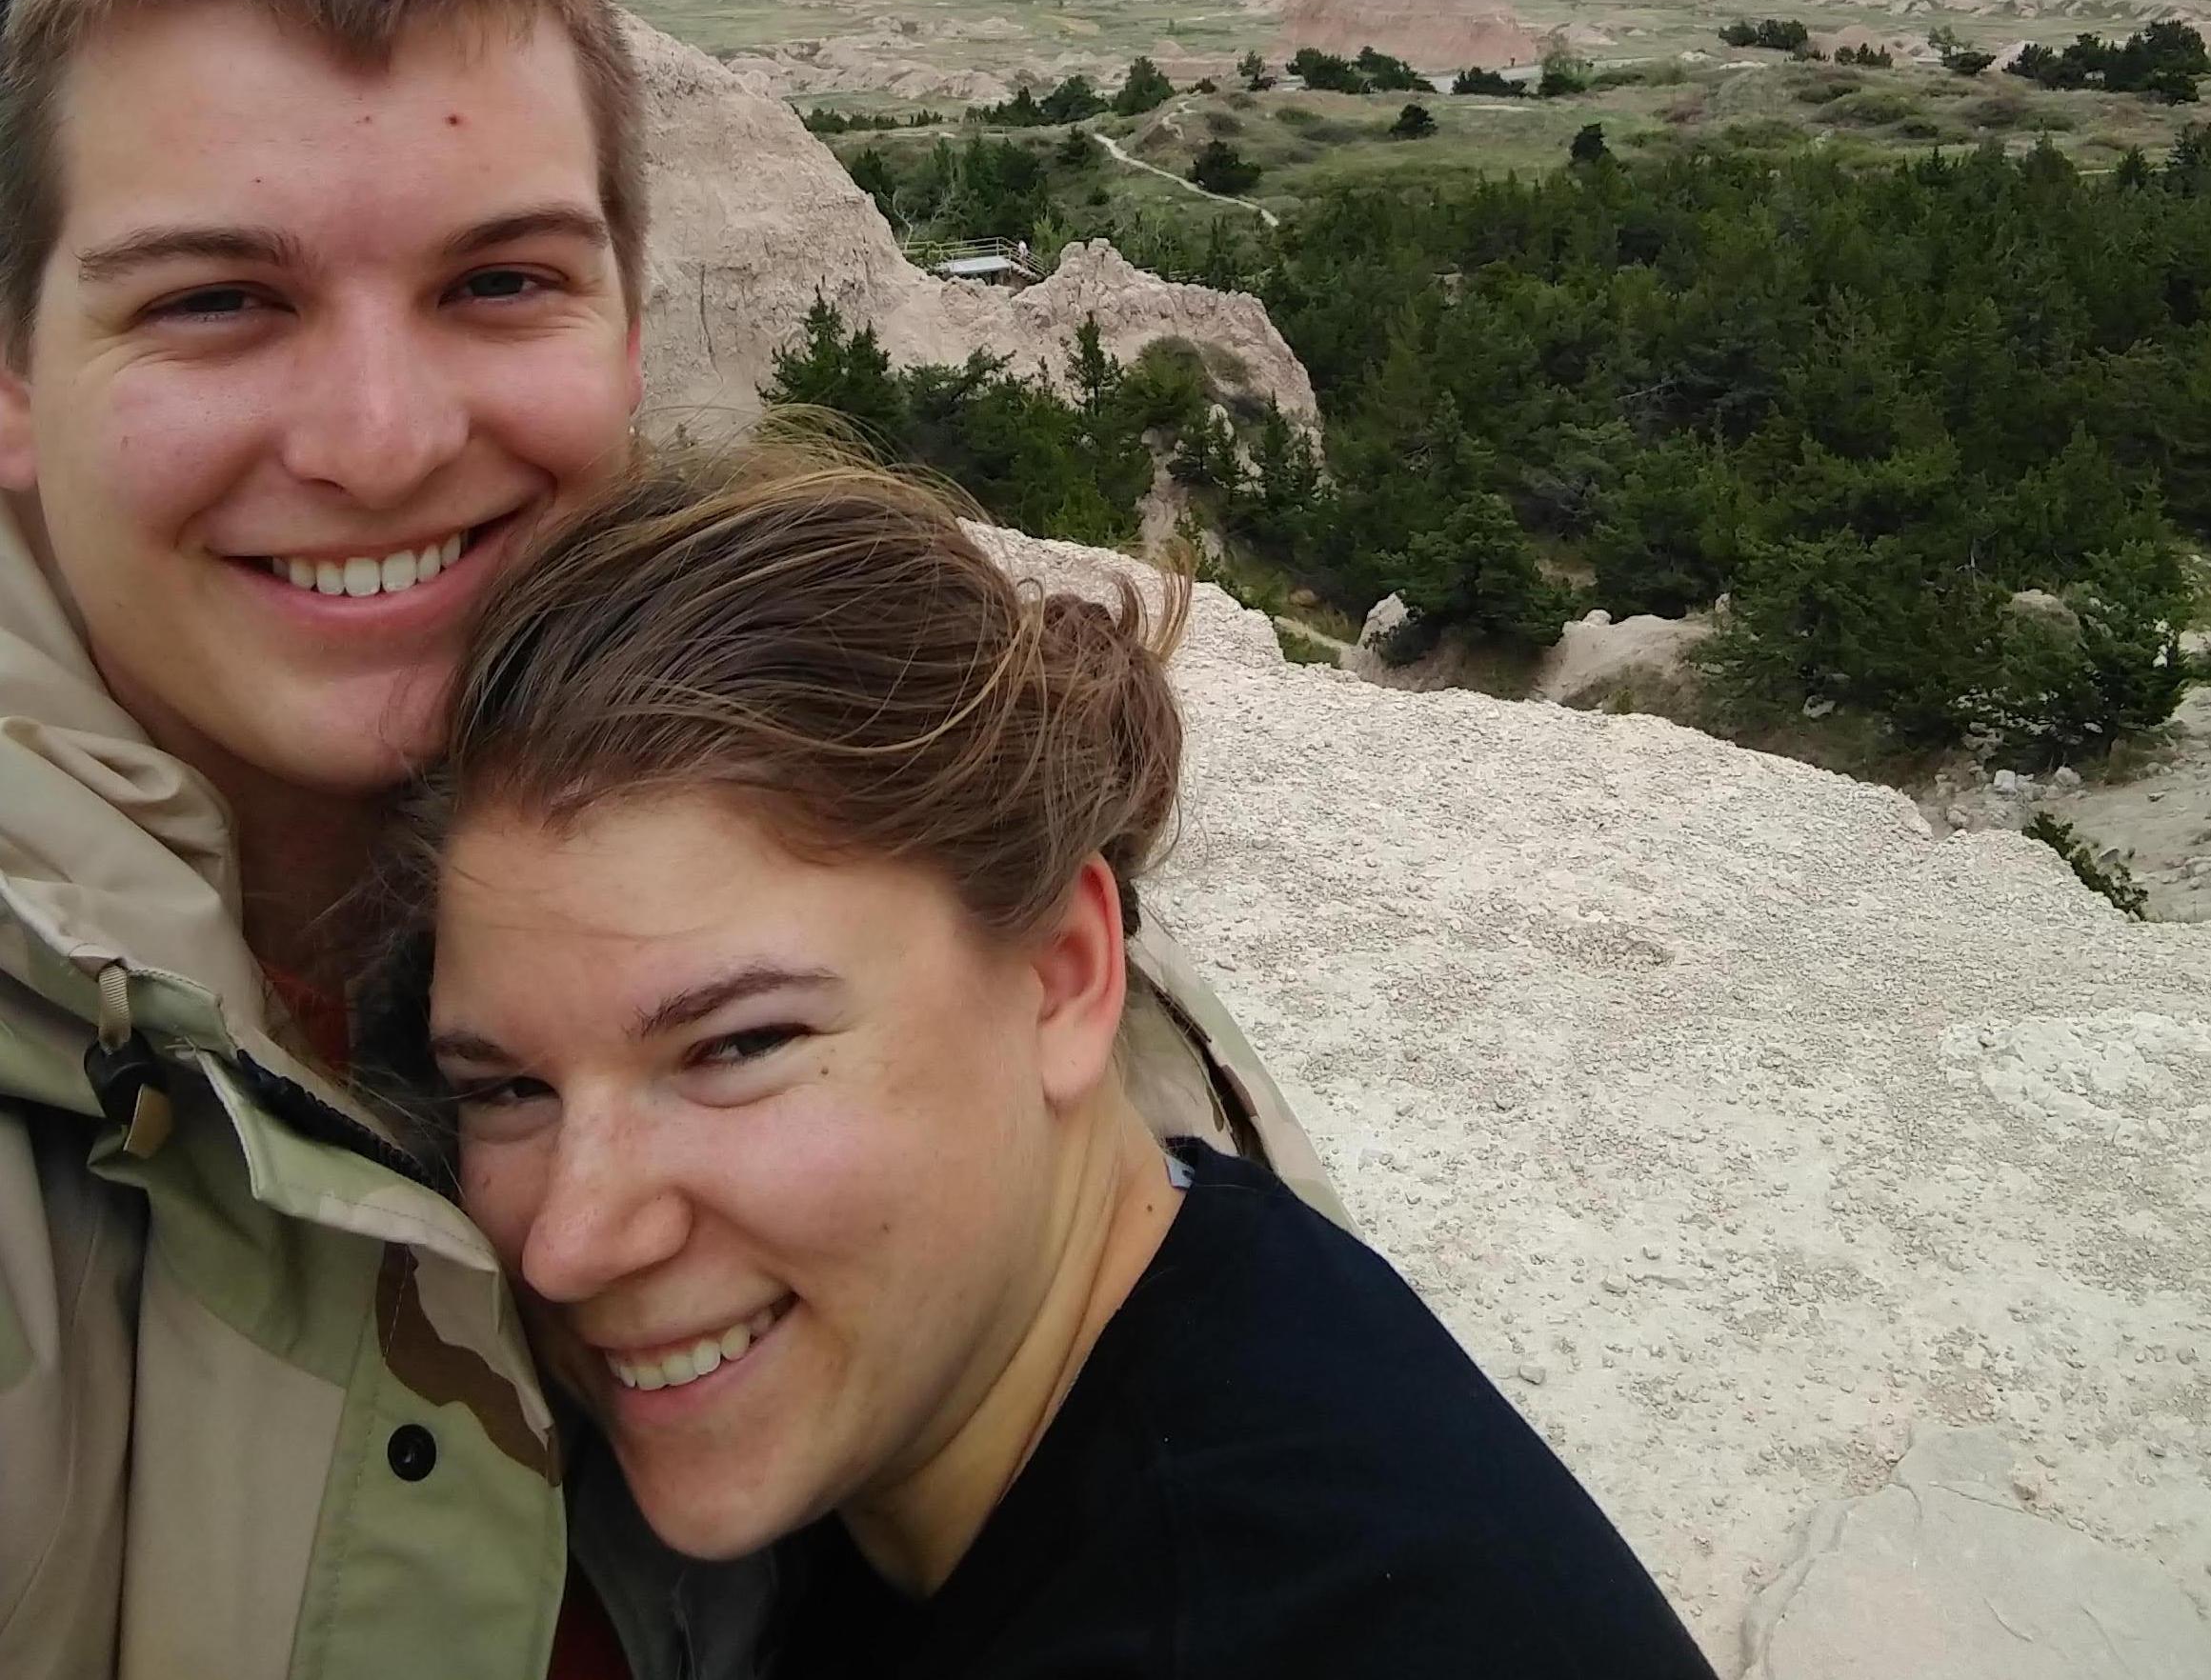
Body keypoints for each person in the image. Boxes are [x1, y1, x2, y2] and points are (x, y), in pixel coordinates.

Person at [0, 0, 1325, 1679]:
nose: (379, 442)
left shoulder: (798, 764)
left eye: (499, 284)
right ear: (14, 381)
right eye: (218, 301)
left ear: (633, 329)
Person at [409, 448, 1715, 1679]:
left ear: (1061, 973)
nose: (571, 1244)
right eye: (504, 1087)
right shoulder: (1130, 1309)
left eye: (736, 1044)